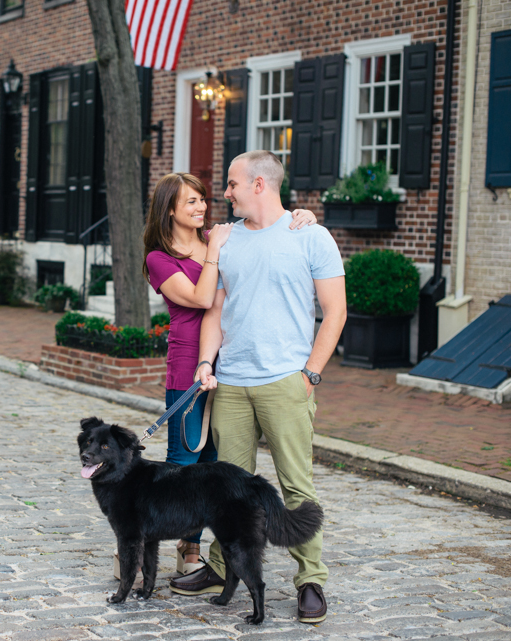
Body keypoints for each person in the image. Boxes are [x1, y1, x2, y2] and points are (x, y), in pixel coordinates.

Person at [167, 151, 346, 625]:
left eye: (231, 184)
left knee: (295, 486)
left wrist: (310, 373)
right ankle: (222, 568)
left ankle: (311, 580)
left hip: (286, 383)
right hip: (231, 385)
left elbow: (336, 311)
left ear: (260, 184)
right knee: (228, 489)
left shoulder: (311, 236)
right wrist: (206, 363)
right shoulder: (224, 241)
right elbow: (215, 313)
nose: (224, 193)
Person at [142, 172, 318, 578]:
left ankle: (196, 546)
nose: (203, 207)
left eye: (203, 199)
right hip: (189, 368)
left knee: (217, 462)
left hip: (232, 365)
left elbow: (263, 234)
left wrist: (301, 217)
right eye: (191, 202)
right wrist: (216, 248)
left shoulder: (214, 240)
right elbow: (204, 299)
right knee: (182, 463)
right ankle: (144, 547)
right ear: (170, 209)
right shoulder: (160, 257)